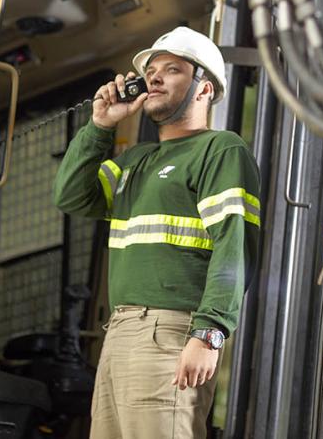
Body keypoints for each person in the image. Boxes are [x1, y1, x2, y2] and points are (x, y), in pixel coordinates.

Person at [53, 26, 260, 438]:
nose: (155, 77)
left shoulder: (221, 150)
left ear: (204, 88)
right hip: (120, 333)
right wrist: (100, 126)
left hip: (170, 334)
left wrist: (210, 332)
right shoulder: (136, 160)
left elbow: (233, 246)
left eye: (172, 69)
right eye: (151, 70)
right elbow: (72, 197)